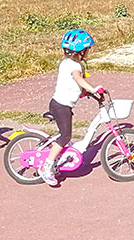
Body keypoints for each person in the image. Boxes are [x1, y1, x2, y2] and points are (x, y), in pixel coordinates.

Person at [39, 30, 104, 186]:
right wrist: (93, 89)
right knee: (65, 137)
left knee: (64, 134)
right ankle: (46, 167)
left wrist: (90, 94)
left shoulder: (66, 63)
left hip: (59, 104)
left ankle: (57, 157)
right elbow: (78, 79)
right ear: (81, 50)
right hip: (61, 106)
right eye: (87, 48)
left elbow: (75, 87)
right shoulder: (75, 66)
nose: (88, 51)